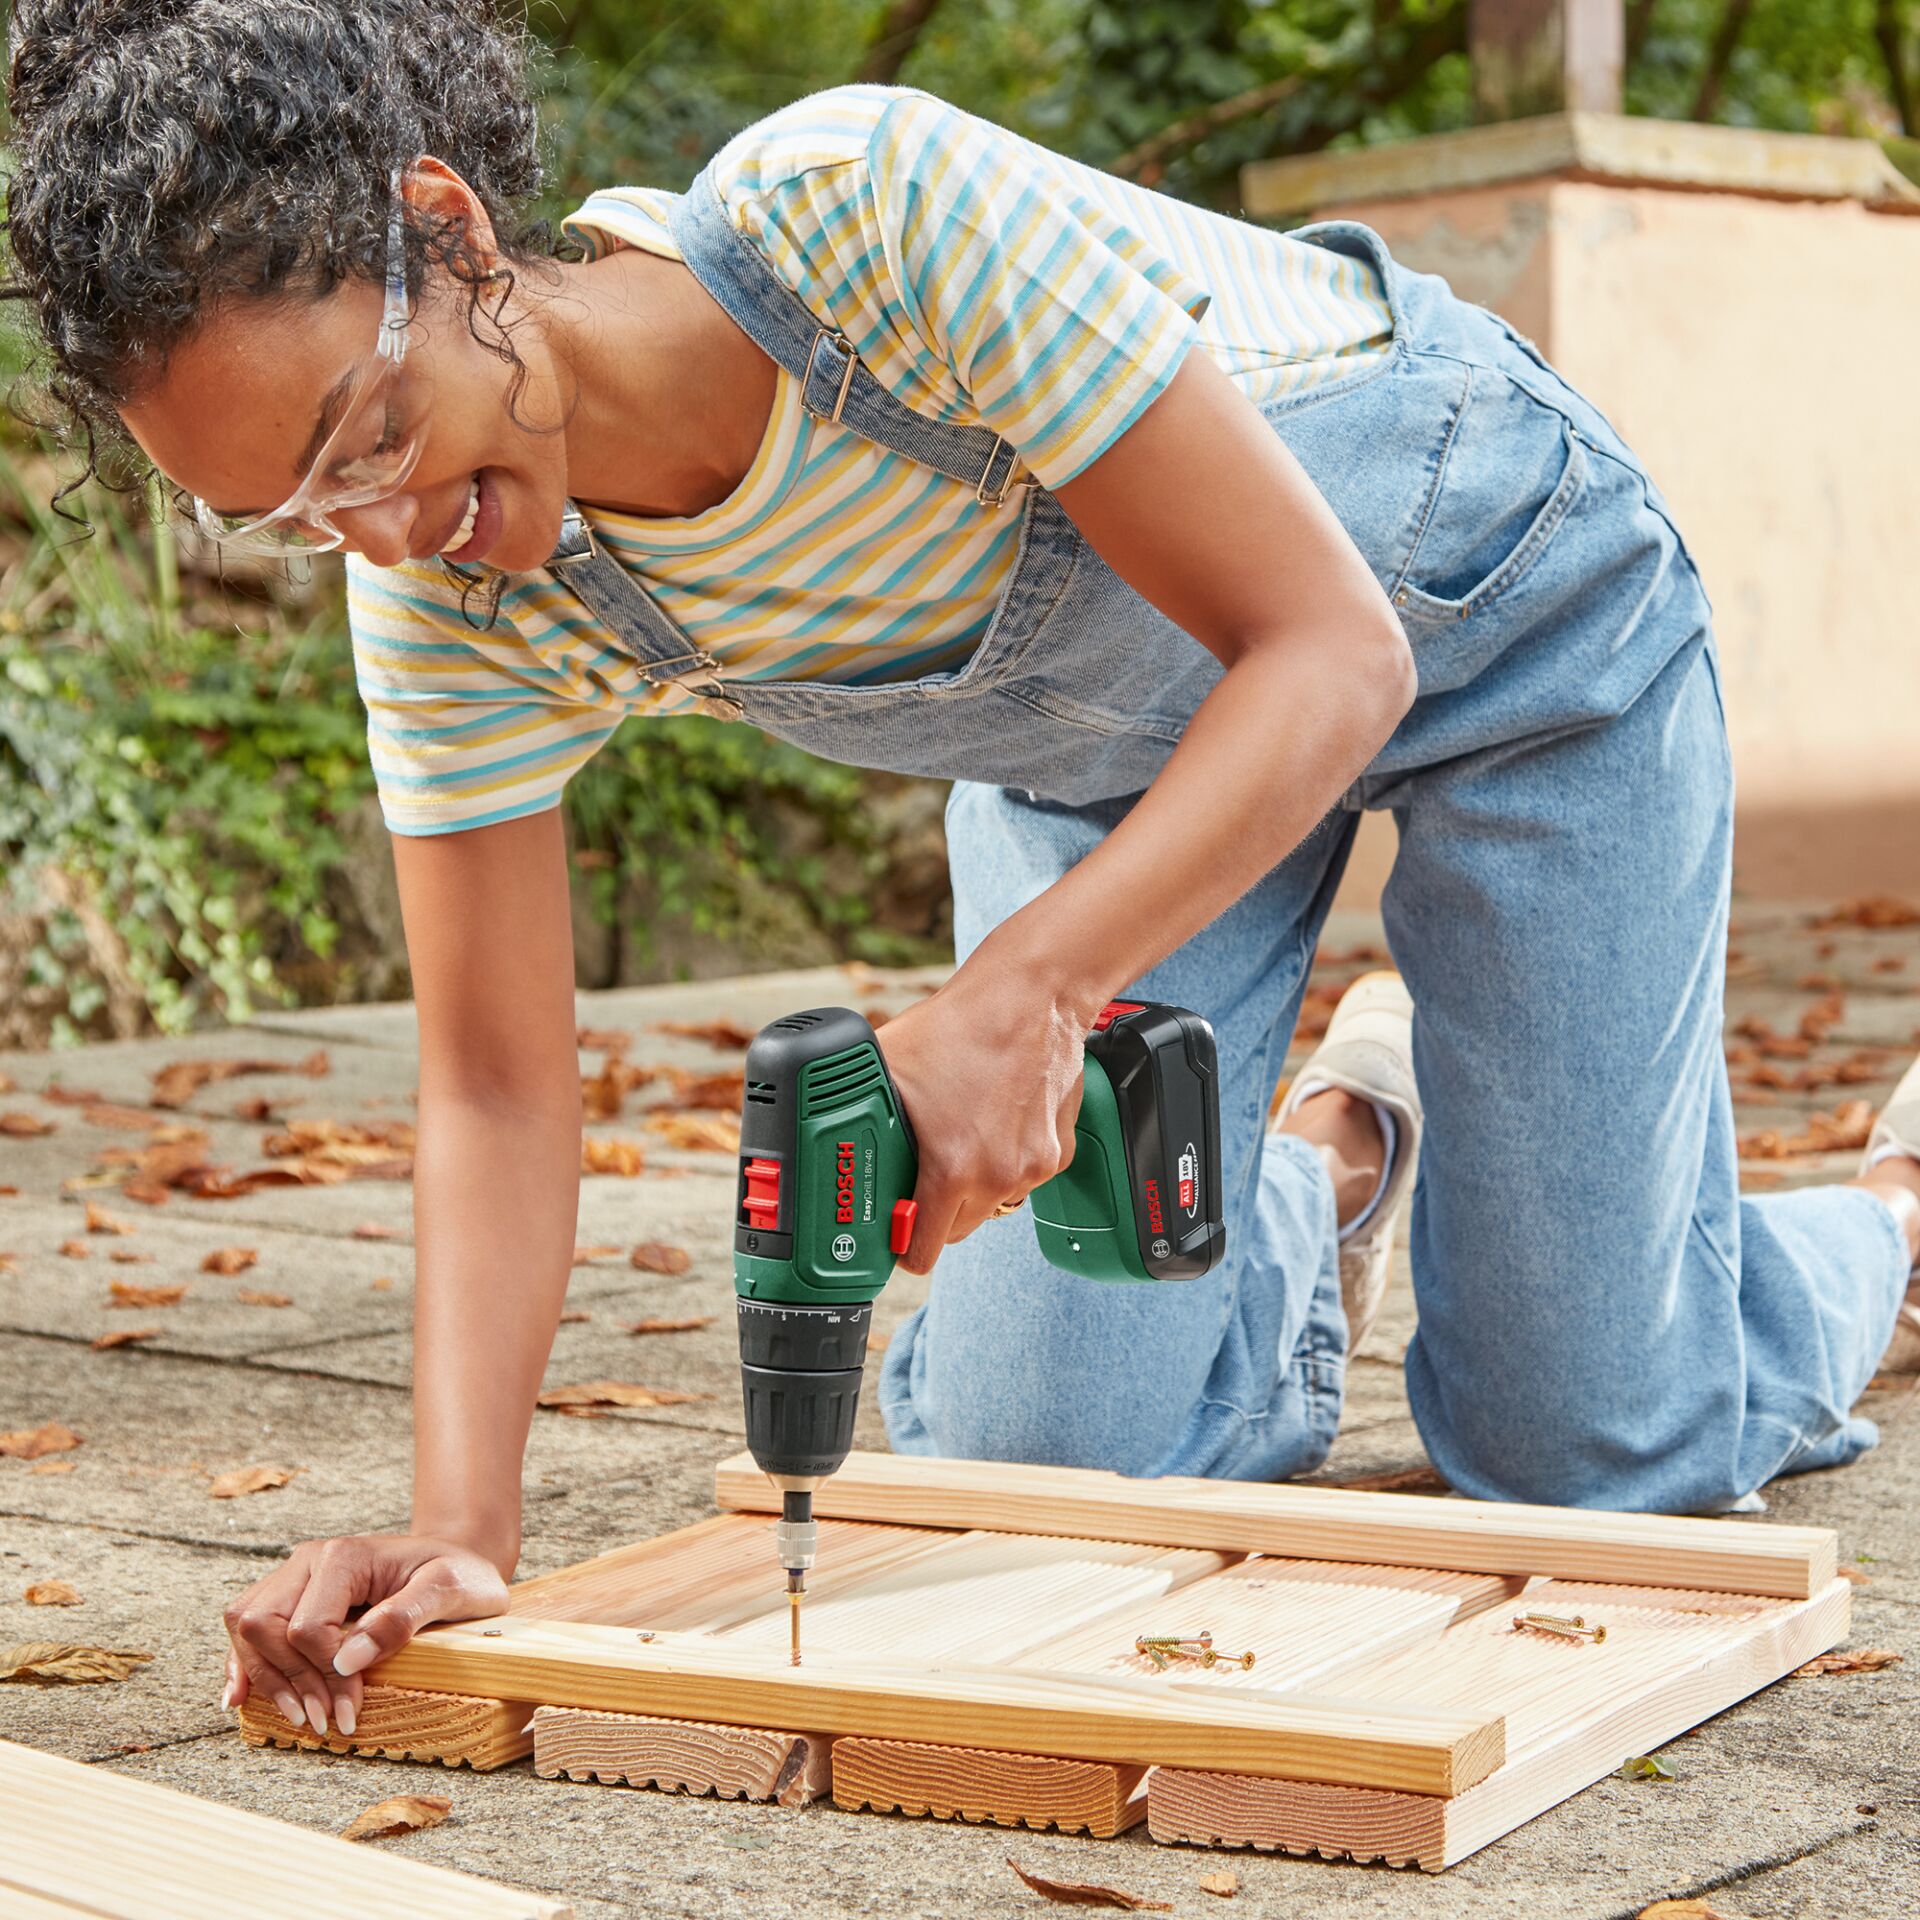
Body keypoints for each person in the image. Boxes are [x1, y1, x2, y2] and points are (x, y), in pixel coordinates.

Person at [6, 0, 1916, 1747]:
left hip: (1493, 627)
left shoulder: (857, 214)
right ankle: (1341, 1146)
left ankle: (1894, 1209)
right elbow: (495, 1085)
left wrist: (1016, 995)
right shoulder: (456, 607)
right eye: (294, 516)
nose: (391, 531)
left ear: (454, 233)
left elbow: (1332, 653)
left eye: (373, 434)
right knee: (1041, 1446)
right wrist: (455, 1527)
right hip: (1117, 769)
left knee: (1586, 1449)